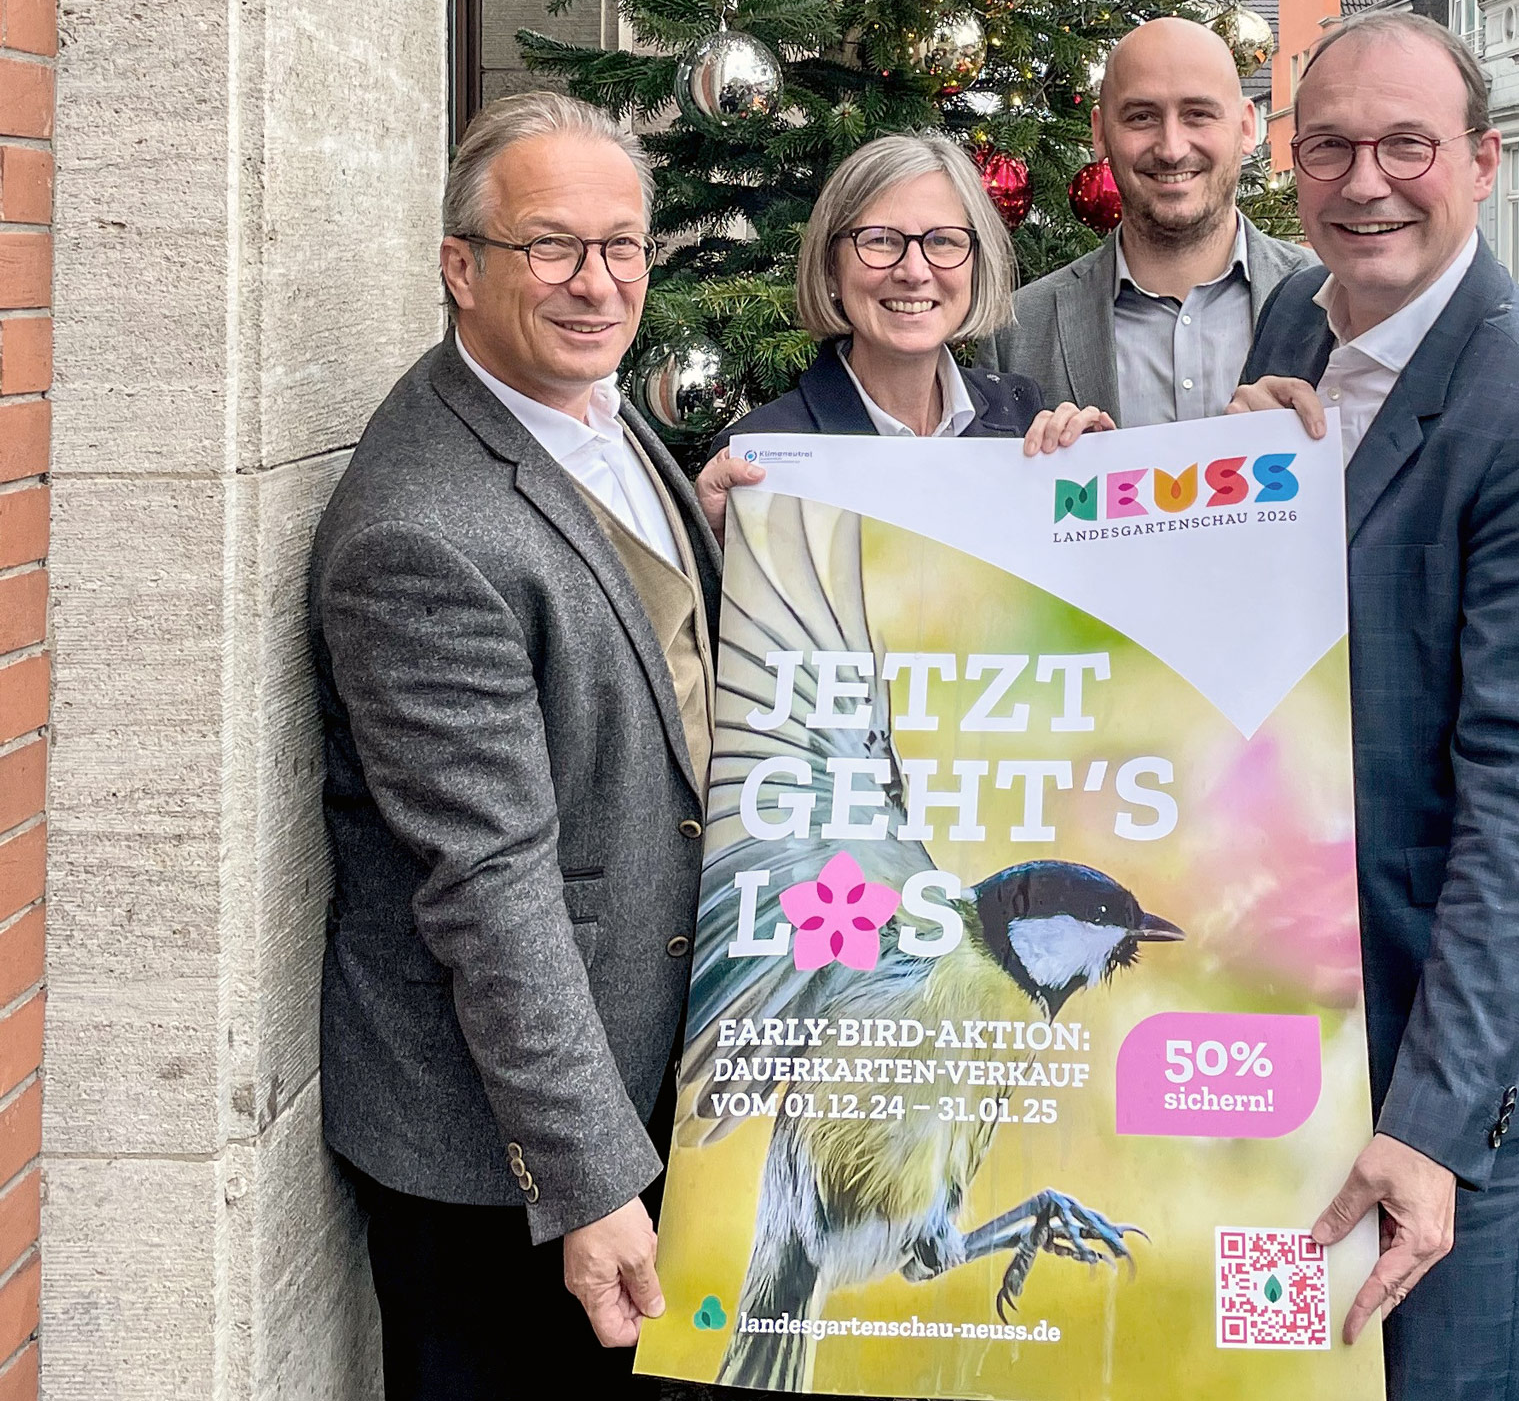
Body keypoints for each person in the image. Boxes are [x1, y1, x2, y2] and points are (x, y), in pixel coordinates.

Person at [1229, 11, 1519, 1400]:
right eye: (1331, 146)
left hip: (1463, 1053)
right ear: (1291, 167)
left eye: (1407, 144)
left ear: (1484, 163)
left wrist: (1434, 1127)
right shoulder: (1299, 312)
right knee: (1283, 1368)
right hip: (1299, 1013)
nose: (1366, 181)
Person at [311, 91, 715, 1399]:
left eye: (623, 246)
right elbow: (490, 890)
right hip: (504, 1168)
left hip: (633, 1064)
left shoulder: (580, 408)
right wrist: (591, 1180)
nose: (595, 283)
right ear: (459, 267)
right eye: (552, 246)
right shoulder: (421, 529)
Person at [696, 133, 1108, 529]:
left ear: (975, 266)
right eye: (880, 240)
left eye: (944, 241)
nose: (914, 271)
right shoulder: (761, 454)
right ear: (830, 266)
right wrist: (717, 550)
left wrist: (1098, 479)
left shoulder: (1021, 417)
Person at [975, 16, 1314, 427]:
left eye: (1198, 114)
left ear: (1246, 127)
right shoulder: (1018, 331)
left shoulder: (1335, 304)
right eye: (1141, 117)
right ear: (1100, 134)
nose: (1171, 148)